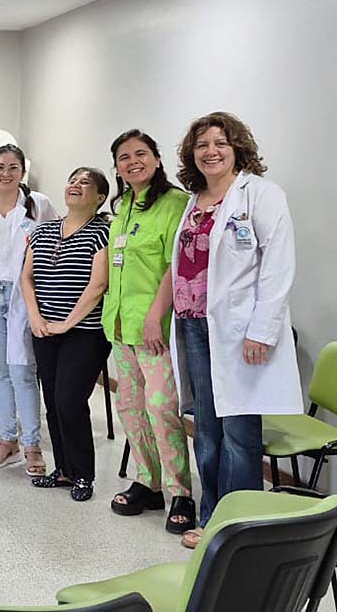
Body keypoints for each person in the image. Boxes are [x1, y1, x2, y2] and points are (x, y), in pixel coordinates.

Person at [168, 112, 299, 549]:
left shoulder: (260, 194)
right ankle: (212, 516)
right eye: (202, 145)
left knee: (239, 434)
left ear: (237, 147)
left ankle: (237, 526)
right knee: (207, 428)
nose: (211, 151)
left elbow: (278, 266)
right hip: (194, 324)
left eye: (220, 143)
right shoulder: (196, 199)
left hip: (239, 330)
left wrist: (263, 330)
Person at [100, 130, 195, 534]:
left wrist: (156, 314)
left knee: (161, 408)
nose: (133, 162)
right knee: (131, 407)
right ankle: (147, 482)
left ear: (156, 159)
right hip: (120, 324)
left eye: (141, 154)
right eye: (124, 157)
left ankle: (181, 493)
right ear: (117, 167)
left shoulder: (175, 204)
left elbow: (177, 264)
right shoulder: (122, 205)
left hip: (156, 327)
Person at [0, 145, 57, 476]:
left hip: (24, 296)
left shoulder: (38, 205)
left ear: (22, 172)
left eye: (13, 168)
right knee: (0, 372)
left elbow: (56, 244)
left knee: (23, 371)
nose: (6, 174)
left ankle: (32, 445)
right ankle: (8, 440)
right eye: (0, 167)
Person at [21, 167, 112, 502]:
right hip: (44, 329)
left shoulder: (103, 232)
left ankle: (83, 474)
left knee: (69, 401)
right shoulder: (44, 230)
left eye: (85, 182)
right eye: (72, 180)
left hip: (85, 332)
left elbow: (98, 285)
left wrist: (67, 323)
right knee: (53, 401)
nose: (75, 185)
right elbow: (26, 277)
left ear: (99, 197)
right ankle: (63, 470)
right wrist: (35, 316)